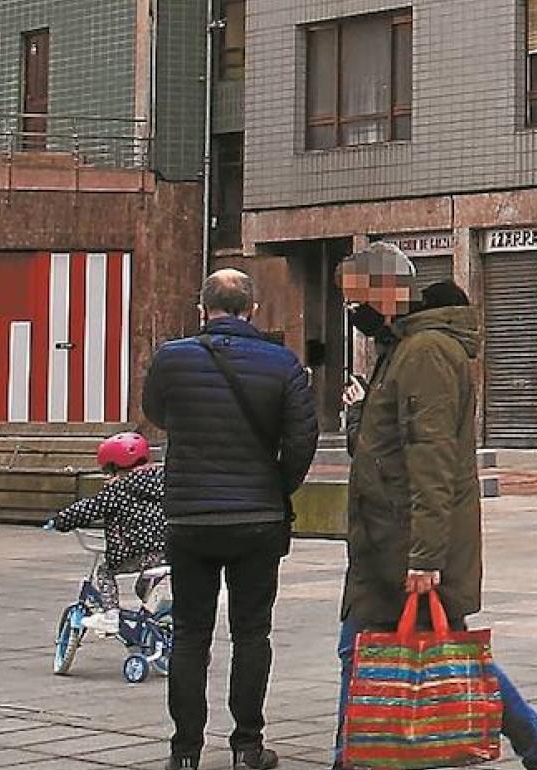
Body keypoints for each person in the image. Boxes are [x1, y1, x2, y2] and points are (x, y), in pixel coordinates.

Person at [333, 247, 537, 770]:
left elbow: (431, 457)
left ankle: (351, 758)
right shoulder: (403, 347)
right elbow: (387, 445)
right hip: (389, 536)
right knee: (442, 650)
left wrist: (425, 556)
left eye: (357, 300)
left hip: (404, 540)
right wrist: (357, 418)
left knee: (368, 654)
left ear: (386, 292)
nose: (354, 314)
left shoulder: (426, 352)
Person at [143, 268, 320, 770]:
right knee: (250, 633)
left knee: (191, 633)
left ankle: (184, 752)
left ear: (203, 308)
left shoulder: (172, 359)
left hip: (191, 517)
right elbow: (303, 438)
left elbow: (156, 412)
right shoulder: (282, 363)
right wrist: (277, 485)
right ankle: (247, 746)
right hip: (257, 520)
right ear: (253, 309)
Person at [45, 432, 165, 635]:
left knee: (105, 572)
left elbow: (88, 509)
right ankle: (154, 622)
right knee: (145, 585)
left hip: (133, 552)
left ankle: (110, 616)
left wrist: (60, 521)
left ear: (116, 467)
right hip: (168, 550)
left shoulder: (118, 490)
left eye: (108, 471)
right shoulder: (162, 482)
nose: (107, 477)